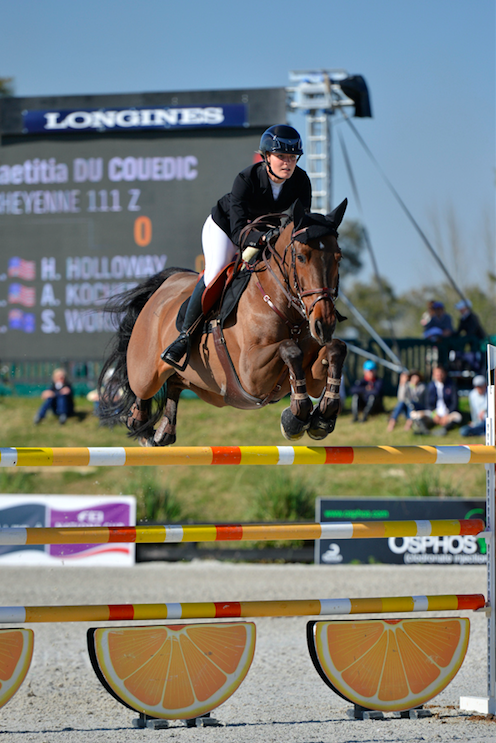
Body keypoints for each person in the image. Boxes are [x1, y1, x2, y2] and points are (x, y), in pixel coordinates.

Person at [161, 124, 312, 370]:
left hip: (266, 233)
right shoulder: (246, 179)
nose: (288, 163)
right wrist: (261, 239)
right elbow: (237, 228)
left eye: (293, 157)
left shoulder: (301, 181)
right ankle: (184, 337)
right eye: (281, 156)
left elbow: (300, 223)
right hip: (226, 228)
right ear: (266, 157)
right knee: (217, 270)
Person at [410, 365, 461, 435]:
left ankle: (444, 429)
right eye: (437, 373)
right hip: (433, 413)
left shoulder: (451, 385)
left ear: (444, 373)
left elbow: (455, 403)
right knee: (416, 415)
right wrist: (434, 414)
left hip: (447, 413)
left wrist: (446, 415)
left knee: (458, 417)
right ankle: (425, 431)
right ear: (433, 374)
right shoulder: (430, 386)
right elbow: (427, 404)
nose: (439, 375)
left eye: (440, 373)